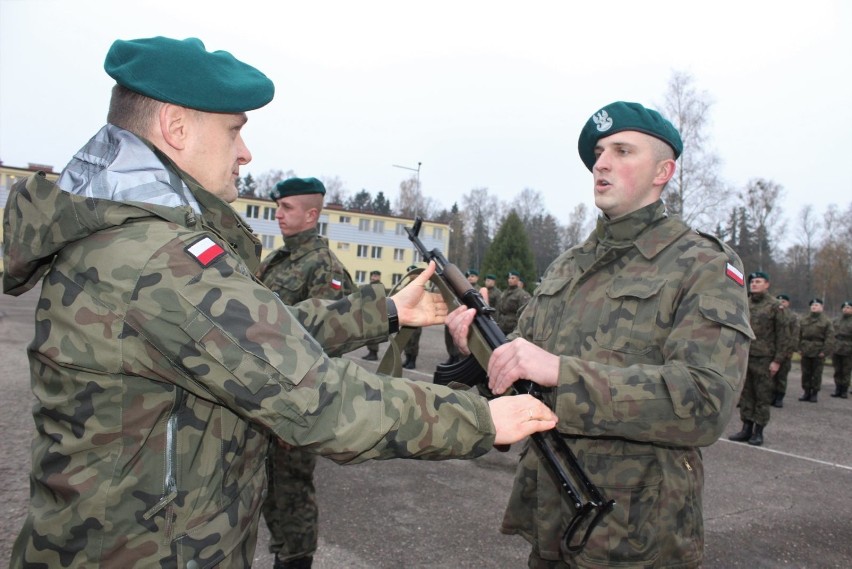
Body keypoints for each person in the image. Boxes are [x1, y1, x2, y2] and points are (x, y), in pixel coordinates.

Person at [1, 36, 557, 568]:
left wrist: (386, 311)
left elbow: (250, 335)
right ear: (175, 127)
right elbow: (318, 399)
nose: (246, 152)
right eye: (234, 130)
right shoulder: (160, 257)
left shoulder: (124, 234)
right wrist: (479, 418)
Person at [447, 101, 752, 568]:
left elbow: (705, 402)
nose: (601, 163)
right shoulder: (568, 265)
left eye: (622, 151)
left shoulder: (702, 263)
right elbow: (518, 366)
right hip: (552, 518)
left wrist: (562, 375)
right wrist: (475, 344)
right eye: (599, 153)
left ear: (662, 171)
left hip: (634, 534)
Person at [256, 176, 355, 569]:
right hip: (262, 397)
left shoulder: (324, 266)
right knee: (268, 490)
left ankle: (295, 559)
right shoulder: (276, 260)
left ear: (312, 214)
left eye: (287, 208)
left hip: (295, 402)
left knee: (292, 490)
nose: (278, 214)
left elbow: (332, 338)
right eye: (277, 208)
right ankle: (284, 549)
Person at [728, 272, 788, 446]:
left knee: (762, 395)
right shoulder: (745, 303)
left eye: (758, 281)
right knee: (746, 394)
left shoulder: (775, 306)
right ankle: (746, 428)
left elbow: (783, 335)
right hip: (745, 355)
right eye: (752, 281)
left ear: (767, 284)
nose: (754, 284)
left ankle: (758, 431)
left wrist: (777, 360)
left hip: (765, 358)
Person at [798, 298, 835, 402]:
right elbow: (799, 334)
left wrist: (825, 351)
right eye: (813, 305)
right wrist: (799, 348)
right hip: (805, 348)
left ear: (822, 307)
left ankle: (814, 393)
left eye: (817, 305)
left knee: (816, 373)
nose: (814, 307)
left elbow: (830, 338)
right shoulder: (804, 320)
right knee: (805, 373)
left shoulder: (826, 321)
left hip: (818, 350)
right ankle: (806, 392)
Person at [443, 269, 480, 365]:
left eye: (472, 276)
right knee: (450, 339)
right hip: (455, 315)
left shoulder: (478, 290)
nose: (470, 278)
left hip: (468, 318)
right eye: (468, 276)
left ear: (477, 278)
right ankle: (452, 356)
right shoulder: (460, 288)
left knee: (462, 339)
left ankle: (458, 359)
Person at [772, 293, 799, 408]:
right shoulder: (772, 314)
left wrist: (791, 349)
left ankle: (779, 397)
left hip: (786, 350)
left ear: (788, 303)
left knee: (782, 376)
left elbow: (795, 335)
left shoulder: (792, 317)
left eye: (783, 301)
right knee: (771, 376)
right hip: (772, 349)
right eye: (778, 301)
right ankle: (771, 396)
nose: (780, 303)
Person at [494, 270, 530, 335]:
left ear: (518, 280)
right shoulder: (504, 293)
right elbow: (498, 308)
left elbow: (524, 312)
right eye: (509, 278)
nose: (510, 280)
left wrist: (518, 327)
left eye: (513, 278)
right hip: (502, 325)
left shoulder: (521, 294)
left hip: (512, 327)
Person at [402, 264, 423, 370]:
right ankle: (407, 358)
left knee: (414, 340)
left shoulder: (420, 286)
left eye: (414, 273)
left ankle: (412, 361)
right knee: (406, 340)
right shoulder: (407, 285)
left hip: (416, 317)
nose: (411, 276)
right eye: (410, 273)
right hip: (406, 317)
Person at [361, 269, 385, 361]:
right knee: (369, 334)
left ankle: (374, 353)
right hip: (369, 313)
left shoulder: (379, 286)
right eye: (373, 275)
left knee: (374, 335)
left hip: (376, 313)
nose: (374, 277)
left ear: (379, 277)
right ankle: (370, 352)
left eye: (376, 276)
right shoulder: (370, 285)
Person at [831, 300, 852, 398]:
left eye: (848, 308)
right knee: (837, 370)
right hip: (836, 347)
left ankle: (844, 390)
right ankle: (837, 388)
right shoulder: (836, 320)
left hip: (848, 348)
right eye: (844, 307)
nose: (846, 309)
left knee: (846, 371)